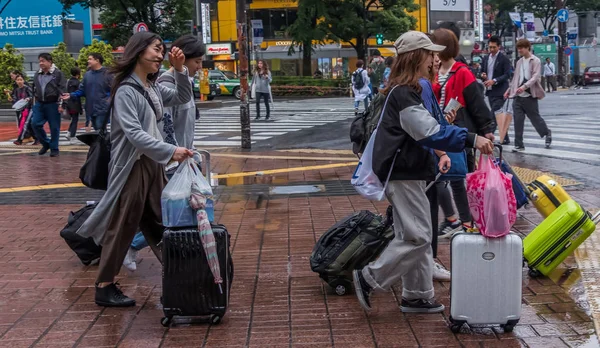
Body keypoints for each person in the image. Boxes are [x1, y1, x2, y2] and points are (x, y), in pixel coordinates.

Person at [352, 31, 494, 313]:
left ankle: (416, 295)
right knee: (418, 236)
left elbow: (428, 129)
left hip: (409, 171)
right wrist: (471, 138)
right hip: (403, 172)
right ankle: (369, 277)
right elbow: (428, 131)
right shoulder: (404, 94)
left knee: (412, 234)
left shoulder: (410, 91)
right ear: (418, 56)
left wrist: (443, 148)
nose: (435, 58)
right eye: (430, 53)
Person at [76, 31, 194, 307]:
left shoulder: (151, 87)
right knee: (124, 226)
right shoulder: (127, 90)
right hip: (132, 167)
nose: (160, 56)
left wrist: (179, 71)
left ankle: (185, 274)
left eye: (161, 51)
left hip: (152, 165)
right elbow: (134, 133)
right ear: (139, 51)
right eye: (155, 49)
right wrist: (171, 151)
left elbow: (181, 96)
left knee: (161, 223)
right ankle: (104, 286)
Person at [123, 34, 206, 272]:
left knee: (186, 211)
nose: (200, 67)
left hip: (185, 157)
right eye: (197, 61)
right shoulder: (165, 84)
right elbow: (165, 126)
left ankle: (186, 257)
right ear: (182, 58)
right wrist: (173, 156)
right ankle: (133, 244)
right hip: (174, 160)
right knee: (177, 213)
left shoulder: (180, 81)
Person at [432, 28, 496, 237]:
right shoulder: (433, 70)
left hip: (458, 132)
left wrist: (486, 130)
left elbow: (477, 103)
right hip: (437, 131)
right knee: (439, 179)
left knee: (457, 179)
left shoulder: (462, 72)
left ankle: (464, 222)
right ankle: (454, 219)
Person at [504, 39, 552, 152]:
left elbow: (535, 77)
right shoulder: (519, 62)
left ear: (527, 48)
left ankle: (547, 132)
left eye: (521, 48)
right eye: (518, 48)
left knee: (535, 118)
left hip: (530, 95)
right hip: (518, 96)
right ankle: (519, 144)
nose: (519, 50)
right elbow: (516, 78)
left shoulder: (535, 61)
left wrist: (524, 86)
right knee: (518, 120)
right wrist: (509, 90)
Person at [62, 53, 112, 133]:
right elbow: (82, 90)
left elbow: (114, 89)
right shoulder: (87, 75)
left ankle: (102, 145)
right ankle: (103, 144)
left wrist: (108, 101)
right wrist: (71, 95)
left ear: (97, 60)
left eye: (90, 59)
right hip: (90, 108)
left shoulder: (107, 74)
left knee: (100, 130)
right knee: (97, 129)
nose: (88, 61)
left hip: (103, 108)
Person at [31, 53, 67, 157]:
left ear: (50, 61)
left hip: (53, 103)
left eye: (43, 61)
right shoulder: (37, 73)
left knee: (54, 127)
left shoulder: (57, 74)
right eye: (39, 61)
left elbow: (63, 90)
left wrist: (62, 104)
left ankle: (54, 148)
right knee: (35, 124)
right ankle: (46, 143)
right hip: (40, 103)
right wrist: (34, 103)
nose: (41, 63)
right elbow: (34, 89)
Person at [481, 36, 513, 145]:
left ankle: (488, 138)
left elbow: (507, 74)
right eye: (490, 47)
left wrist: (494, 80)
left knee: (493, 115)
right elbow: (482, 72)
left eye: (494, 47)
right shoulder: (485, 58)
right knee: (498, 115)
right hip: (490, 91)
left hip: (500, 91)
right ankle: (505, 137)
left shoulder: (504, 59)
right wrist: (483, 75)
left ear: (499, 47)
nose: (492, 49)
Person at [10, 74, 34, 145]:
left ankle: (19, 139)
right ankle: (36, 138)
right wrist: (12, 99)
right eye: (18, 80)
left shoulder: (27, 88)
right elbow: (16, 99)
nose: (19, 81)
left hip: (28, 108)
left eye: (21, 80)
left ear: (23, 80)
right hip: (21, 109)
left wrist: (28, 98)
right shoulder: (17, 90)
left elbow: (32, 96)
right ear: (16, 81)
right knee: (25, 124)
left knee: (24, 124)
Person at [65, 67, 83, 142]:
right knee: (75, 120)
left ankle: (69, 132)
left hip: (68, 103)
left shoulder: (68, 81)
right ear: (78, 74)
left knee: (73, 119)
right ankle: (72, 135)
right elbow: (79, 93)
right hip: (75, 104)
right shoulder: (78, 83)